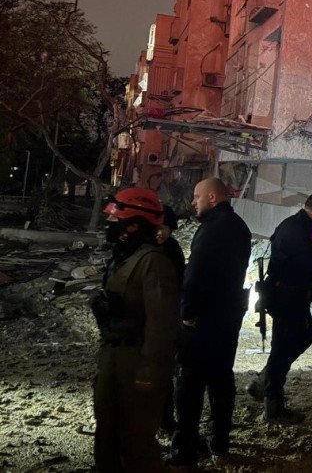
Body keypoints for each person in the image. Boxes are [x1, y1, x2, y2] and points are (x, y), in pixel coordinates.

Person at [92, 188, 179, 471]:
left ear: (133, 225)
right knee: (107, 432)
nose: (109, 225)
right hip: (114, 354)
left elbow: (162, 324)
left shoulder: (153, 262)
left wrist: (149, 373)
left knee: (136, 441)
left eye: (115, 220)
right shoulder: (123, 257)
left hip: (137, 359)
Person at [168, 178, 252, 464]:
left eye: (197, 196)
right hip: (227, 317)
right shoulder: (238, 226)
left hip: (204, 320)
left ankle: (185, 447)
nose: (193, 202)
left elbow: (196, 274)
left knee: (189, 382)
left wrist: (186, 314)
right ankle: (219, 441)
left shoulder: (213, 228)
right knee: (221, 379)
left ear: (213, 197)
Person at [247, 193, 312, 423]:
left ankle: (266, 381)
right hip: (287, 298)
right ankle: (271, 403)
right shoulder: (299, 230)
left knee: (298, 339)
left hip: (287, 295)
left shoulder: (296, 225)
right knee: (284, 348)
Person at [155, 205, 185, 435]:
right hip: (149, 318)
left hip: (168, 317)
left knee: (165, 372)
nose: (160, 232)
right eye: (156, 227)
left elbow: (181, 281)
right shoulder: (144, 250)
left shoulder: (173, 249)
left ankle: (165, 419)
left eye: (165, 227)